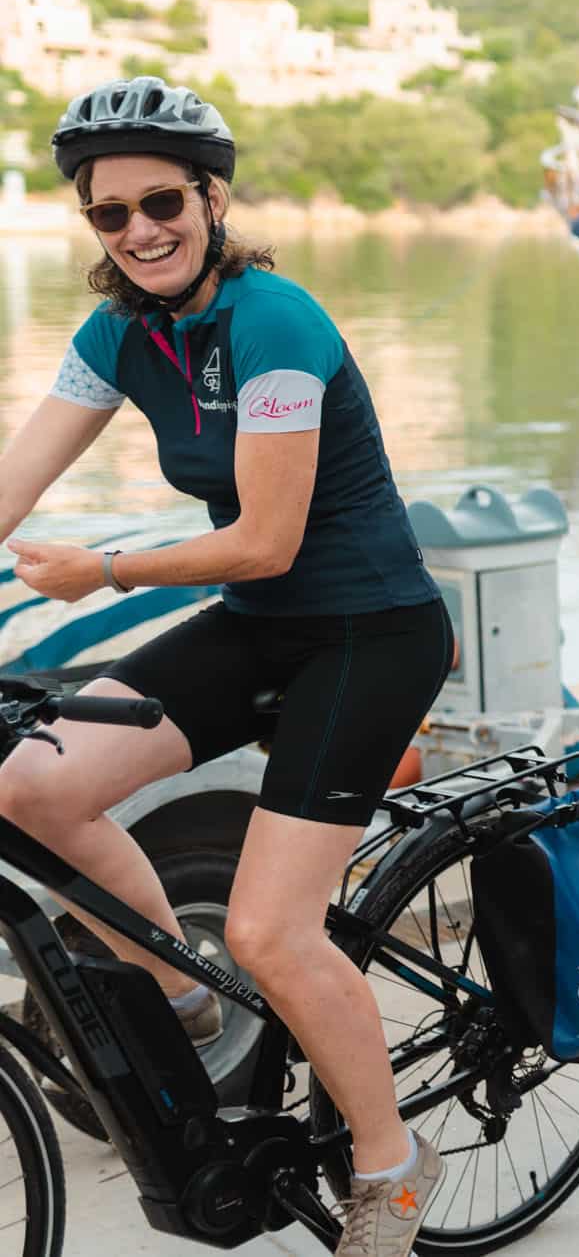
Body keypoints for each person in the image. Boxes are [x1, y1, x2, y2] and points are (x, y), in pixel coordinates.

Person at [0, 78, 453, 1256]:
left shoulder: (277, 321)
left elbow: (266, 538)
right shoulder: (118, 330)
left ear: (210, 196)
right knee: (35, 785)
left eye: (162, 201)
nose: (140, 229)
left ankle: (392, 1165)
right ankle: (181, 990)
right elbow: (14, 479)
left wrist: (101, 570)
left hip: (370, 629)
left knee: (271, 927)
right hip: (260, 622)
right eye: (112, 213)